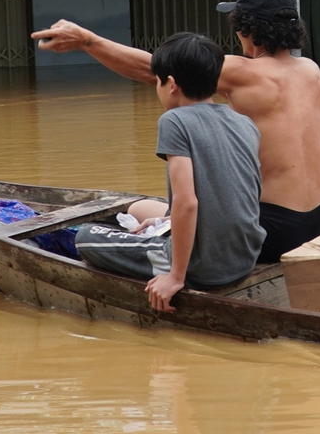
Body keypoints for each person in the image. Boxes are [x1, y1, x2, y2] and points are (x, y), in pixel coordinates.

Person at [31, 0, 320, 261]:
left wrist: (87, 40)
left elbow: (157, 71)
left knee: (137, 208)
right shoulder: (310, 71)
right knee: (152, 210)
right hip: (318, 221)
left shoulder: (241, 72)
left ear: (245, 28)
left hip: (272, 234)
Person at [76, 32, 264, 311]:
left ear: (171, 84)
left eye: (158, 81)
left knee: (85, 237)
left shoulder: (174, 121)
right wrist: (165, 223)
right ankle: (166, 236)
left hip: (203, 268)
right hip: (245, 257)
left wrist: (176, 277)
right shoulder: (244, 122)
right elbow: (243, 193)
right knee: (144, 214)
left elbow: (187, 202)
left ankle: (172, 263)